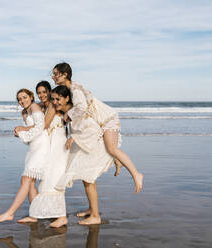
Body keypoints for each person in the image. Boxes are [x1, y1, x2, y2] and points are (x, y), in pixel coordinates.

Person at [51, 62, 143, 196]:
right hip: (100, 120)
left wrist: (67, 116)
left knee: (112, 148)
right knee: (106, 147)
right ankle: (116, 160)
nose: (53, 77)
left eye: (55, 74)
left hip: (107, 118)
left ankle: (136, 174)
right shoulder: (71, 88)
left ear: (65, 75)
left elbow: (81, 108)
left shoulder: (74, 90)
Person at [52, 85, 114, 225]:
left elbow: (93, 129)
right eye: (53, 99)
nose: (55, 102)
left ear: (67, 98)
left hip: (91, 147)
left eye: (58, 99)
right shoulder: (69, 113)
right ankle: (92, 209)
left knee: (88, 180)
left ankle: (95, 216)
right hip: (84, 147)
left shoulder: (76, 113)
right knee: (88, 180)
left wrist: (74, 138)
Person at [16, 81, 69, 228]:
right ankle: (38, 213)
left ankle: (62, 216)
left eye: (44, 92)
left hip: (58, 141)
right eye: (39, 92)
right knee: (45, 180)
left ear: (49, 92)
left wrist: (23, 129)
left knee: (55, 178)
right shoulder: (41, 106)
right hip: (48, 143)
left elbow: (44, 125)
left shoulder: (52, 104)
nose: (42, 95)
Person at [0, 88, 50, 222]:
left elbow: (40, 126)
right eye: (19, 99)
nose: (22, 101)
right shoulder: (24, 112)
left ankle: (10, 213)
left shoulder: (35, 106)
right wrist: (20, 133)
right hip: (33, 147)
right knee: (29, 182)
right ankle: (35, 215)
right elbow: (30, 134)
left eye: (24, 97)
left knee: (26, 179)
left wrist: (22, 130)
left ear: (31, 97)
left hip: (42, 146)